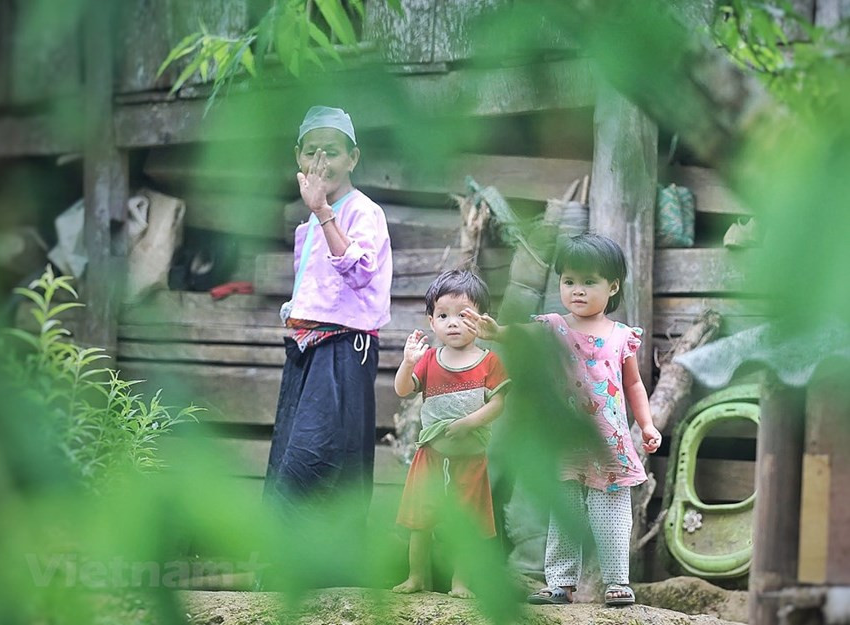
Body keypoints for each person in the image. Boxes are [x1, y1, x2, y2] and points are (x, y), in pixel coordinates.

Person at [461, 233, 661, 607]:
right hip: (565, 444)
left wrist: (647, 425)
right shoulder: (553, 326)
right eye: (569, 281)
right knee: (563, 514)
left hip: (609, 445)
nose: (577, 291)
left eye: (589, 282)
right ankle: (560, 583)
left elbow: (633, 383)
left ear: (613, 286)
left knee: (612, 517)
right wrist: (494, 332)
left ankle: (617, 581)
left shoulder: (621, 336)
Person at [263, 105, 393, 516]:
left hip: (343, 348)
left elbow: (359, 273)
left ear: (353, 158)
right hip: (308, 348)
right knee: (291, 450)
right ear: (297, 157)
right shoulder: (312, 218)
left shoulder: (363, 212)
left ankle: (336, 567)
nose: (321, 162)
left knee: (318, 457)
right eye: (311, 151)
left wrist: (322, 211)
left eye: (333, 152)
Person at [392, 270, 510, 599]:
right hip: (430, 457)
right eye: (443, 315)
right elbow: (403, 390)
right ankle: (416, 577)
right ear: (432, 321)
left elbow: (497, 404)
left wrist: (469, 423)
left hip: (470, 460)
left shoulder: (489, 362)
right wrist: (407, 362)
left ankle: (460, 582)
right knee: (421, 521)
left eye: (463, 315)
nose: (453, 323)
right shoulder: (428, 359)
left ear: (481, 319)